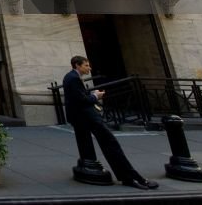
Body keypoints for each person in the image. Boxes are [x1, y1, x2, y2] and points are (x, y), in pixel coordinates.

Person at [62, 55, 158, 190]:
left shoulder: (71, 77)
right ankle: (131, 177)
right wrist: (96, 96)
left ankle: (124, 175)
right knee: (111, 144)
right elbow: (82, 100)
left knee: (89, 144)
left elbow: (77, 97)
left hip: (79, 117)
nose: (89, 68)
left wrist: (91, 95)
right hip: (87, 117)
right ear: (77, 65)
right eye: (86, 65)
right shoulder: (73, 78)